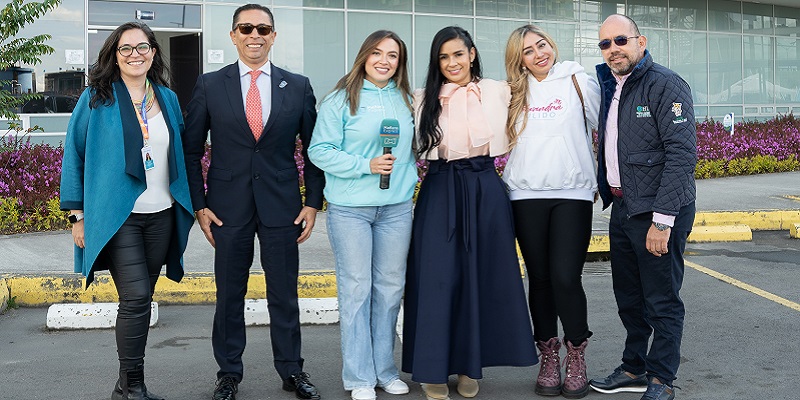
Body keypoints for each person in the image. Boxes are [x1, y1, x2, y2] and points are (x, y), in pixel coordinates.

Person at [182, 4, 324, 400]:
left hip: (282, 206)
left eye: (263, 28)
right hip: (227, 208)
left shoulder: (297, 86)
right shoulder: (211, 85)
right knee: (229, 293)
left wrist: (312, 202)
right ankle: (228, 373)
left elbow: (314, 150)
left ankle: (292, 371)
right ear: (233, 35)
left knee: (284, 292)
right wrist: (199, 205)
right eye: (246, 28)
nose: (254, 35)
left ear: (274, 36)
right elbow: (191, 151)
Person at [60, 22, 194, 400]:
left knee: (140, 300)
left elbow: (179, 152)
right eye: (126, 49)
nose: (135, 54)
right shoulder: (96, 98)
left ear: (153, 52)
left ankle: (125, 385)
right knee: (135, 298)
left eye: (143, 47)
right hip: (119, 216)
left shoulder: (166, 98)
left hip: (162, 214)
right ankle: (133, 387)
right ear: (114, 56)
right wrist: (77, 215)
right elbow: (74, 154)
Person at [401, 25, 537, 400]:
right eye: (444, 57)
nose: (452, 63)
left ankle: (468, 365)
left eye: (458, 54)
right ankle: (432, 368)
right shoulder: (422, 97)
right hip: (440, 187)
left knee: (481, 276)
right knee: (437, 278)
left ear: (472, 54)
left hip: (485, 187)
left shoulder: (499, 90)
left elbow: (541, 81)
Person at [588, 14, 697, 400]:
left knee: (661, 299)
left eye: (620, 40)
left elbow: (682, 156)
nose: (612, 49)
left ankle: (662, 378)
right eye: (604, 44)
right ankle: (634, 367)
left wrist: (663, 222)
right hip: (623, 207)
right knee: (629, 297)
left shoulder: (665, 85)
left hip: (659, 212)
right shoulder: (609, 85)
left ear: (641, 41)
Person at [308, 30, 416, 400]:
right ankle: (358, 377)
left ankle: (385, 371)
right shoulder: (341, 99)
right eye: (377, 53)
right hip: (351, 210)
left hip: (397, 209)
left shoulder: (406, 99)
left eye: (393, 56)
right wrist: (365, 165)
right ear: (364, 56)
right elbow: (319, 150)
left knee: (389, 292)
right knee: (357, 291)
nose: (384, 61)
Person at [502, 24, 601, 399]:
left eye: (541, 45)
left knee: (565, 278)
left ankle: (576, 355)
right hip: (525, 196)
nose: (538, 54)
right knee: (540, 279)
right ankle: (548, 356)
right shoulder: (512, 92)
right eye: (528, 51)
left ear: (551, 45)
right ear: (520, 60)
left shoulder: (578, 80)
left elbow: (605, 127)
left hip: (572, 194)